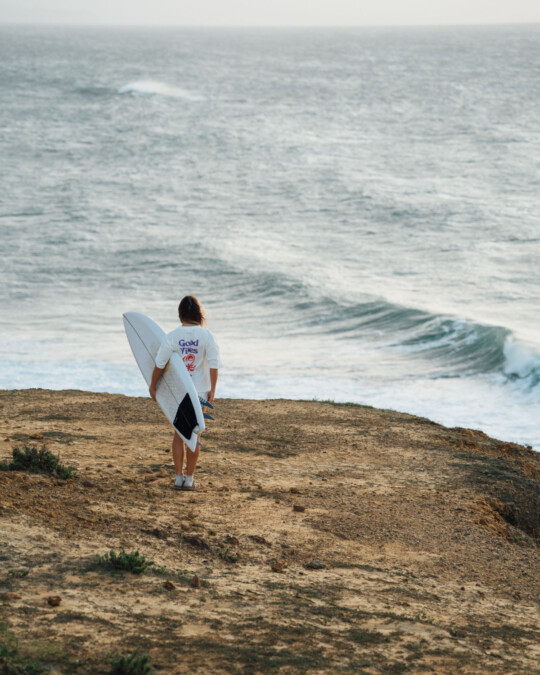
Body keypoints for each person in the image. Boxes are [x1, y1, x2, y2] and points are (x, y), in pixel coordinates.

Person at [149, 296, 220, 491]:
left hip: (179, 392)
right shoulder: (207, 336)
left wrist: (153, 386)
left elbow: (160, 364)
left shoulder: (172, 336)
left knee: (179, 433)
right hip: (200, 392)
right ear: (199, 314)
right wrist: (212, 391)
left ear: (180, 314)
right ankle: (190, 479)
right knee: (195, 433)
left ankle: (178, 478)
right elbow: (214, 366)